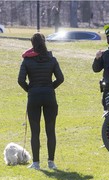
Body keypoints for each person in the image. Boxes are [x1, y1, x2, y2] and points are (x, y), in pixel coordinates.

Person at [18, 33, 64, 170]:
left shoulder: (27, 60)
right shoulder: (52, 59)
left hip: (34, 97)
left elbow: (20, 80)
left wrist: (30, 90)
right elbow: (60, 78)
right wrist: (50, 87)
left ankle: (36, 163)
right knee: (51, 130)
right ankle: (51, 162)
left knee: (35, 131)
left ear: (32, 44)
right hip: (49, 96)